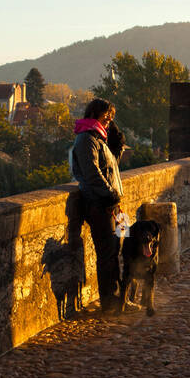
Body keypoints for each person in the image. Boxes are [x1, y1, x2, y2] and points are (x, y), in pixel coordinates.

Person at [69, 98, 126, 316]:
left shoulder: (99, 139)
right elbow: (92, 173)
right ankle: (110, 302)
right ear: (95, 114)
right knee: (107, 253)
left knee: (120, 247)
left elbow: (111, 169)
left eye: (112, 116)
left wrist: (116, 146)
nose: (110, 119)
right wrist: (110, 195)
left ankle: (120, 297)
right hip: (101, 205)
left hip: (115, 205)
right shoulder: (86, 139)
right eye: (107, 115)